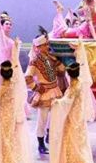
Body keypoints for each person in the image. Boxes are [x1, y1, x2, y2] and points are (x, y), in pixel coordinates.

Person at [44, 43, 96, 163]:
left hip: (74, 117)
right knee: (72, 140)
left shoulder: (76, 86)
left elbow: (68, 100)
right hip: (73, 115)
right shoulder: (75, 84)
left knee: (73, 140)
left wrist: (57, 102)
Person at [25, 27, 66, 155]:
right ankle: (41, 144)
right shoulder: (35, 61)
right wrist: (37, 88)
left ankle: (51, 138)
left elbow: (61, 71)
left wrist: (58, 62)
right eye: (45, 45)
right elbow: (28, 77)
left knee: (55, 118)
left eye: (47, 44)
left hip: (55, 90)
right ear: (39, 47)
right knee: (42, 120)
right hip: (44, 92)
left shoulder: (51, 57)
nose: (47, 46)